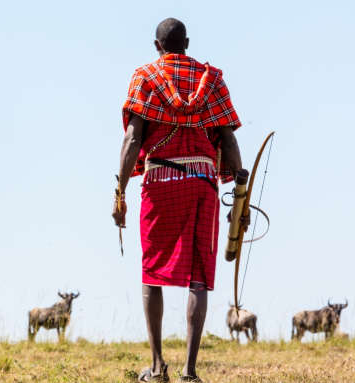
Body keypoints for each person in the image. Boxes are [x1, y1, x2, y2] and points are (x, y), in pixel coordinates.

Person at [112, 17, 247, 382]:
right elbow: (229, 140)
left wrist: (120, 190)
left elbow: (132, 139)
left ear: (157, 46)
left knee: (152, 271)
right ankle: (189, 371)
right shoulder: (213, 80)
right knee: (198, 277)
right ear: (186, 42)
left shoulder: (145, 77)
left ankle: (157, 368)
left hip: (160, 180)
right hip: (202, 181)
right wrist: (239, 192)